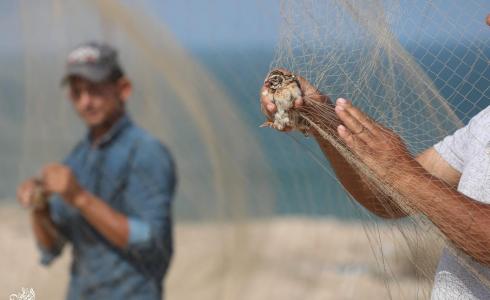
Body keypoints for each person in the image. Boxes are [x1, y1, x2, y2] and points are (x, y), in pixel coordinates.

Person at [260, 20, 489, 299]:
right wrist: (320, 116)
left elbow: (406, 182)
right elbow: (387, 199)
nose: (487, 20)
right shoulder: (485, 123)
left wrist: (402, 172)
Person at [16, 41, 177, 299]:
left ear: (123, 89)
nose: (86, 102)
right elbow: (52, 246)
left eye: (94, 91)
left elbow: (152, 244)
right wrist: (39, 207)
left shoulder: (147, 152)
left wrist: (79, 198)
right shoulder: (77, 159)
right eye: (77, 93)